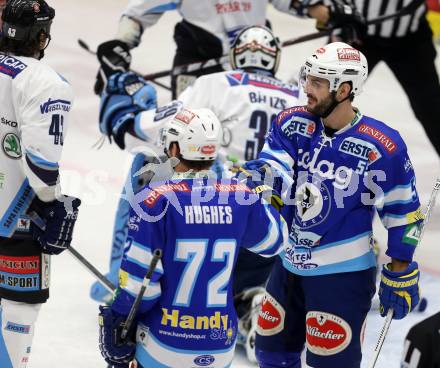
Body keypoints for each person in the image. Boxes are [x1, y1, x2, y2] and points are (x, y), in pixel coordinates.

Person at [239, 41, 423, 367]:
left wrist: (401, 267)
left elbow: (403, 211)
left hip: (342, 276)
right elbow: (274, 167)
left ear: (345, 90)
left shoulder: (381, 145)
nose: (307, 89)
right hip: (287, 266)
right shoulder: (292, 123)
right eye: (307, 79)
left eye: (318, 83)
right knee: (270, 355)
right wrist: (260, 182)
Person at [97, 107, 290, 368]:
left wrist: (117, 317)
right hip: (219, 346)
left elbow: (140, 286)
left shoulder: (155, 200)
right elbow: (275, 242)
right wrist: (262, 194)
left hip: (164, 345)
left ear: (175, 149)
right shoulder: (242, 196)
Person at [0, 0, 81, 366]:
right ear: (42, 35)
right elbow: (42, 166)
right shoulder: (45, 82)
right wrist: (54, 203)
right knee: (18, 310)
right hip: (17, 219)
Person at [93, 0, 365, 97]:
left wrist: (331, 15)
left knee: (255, 144)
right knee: (185, 139)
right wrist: (120, 46)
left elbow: (296, 2)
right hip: (200, 62)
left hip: (256, 61)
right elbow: (138, 14)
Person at [313, 0, 440, 156]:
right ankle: (308, 153)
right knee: (327, 97)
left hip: (410, 36)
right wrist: (333, 15)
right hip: (357, 32)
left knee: (431, 108)